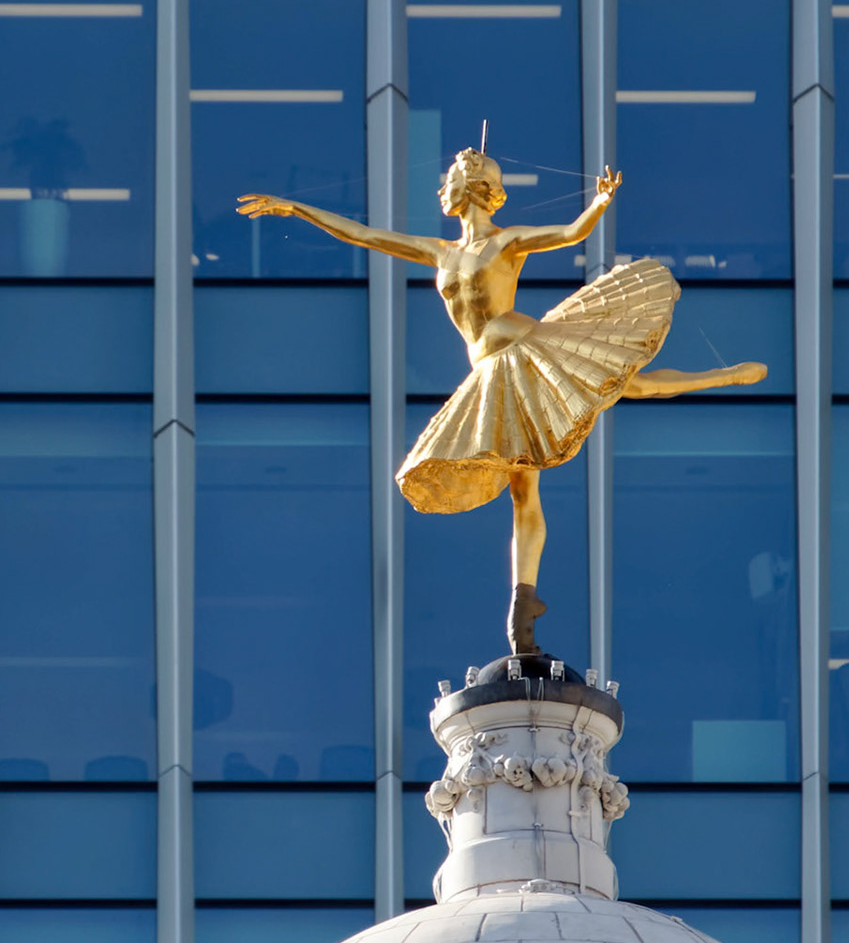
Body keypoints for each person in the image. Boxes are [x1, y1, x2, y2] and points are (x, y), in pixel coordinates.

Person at [239, 144, 766, 655]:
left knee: (628, 383)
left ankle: (726, 375)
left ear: (470, 187)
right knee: (522, 491)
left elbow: (567, 234)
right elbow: (365, 236)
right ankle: (523, 601)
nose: (440, 187)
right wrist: (296, 207)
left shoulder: (506, 242)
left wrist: (599, 204)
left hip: (522, 345)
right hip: (491, 373)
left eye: (448, 179)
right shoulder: (438, 251)